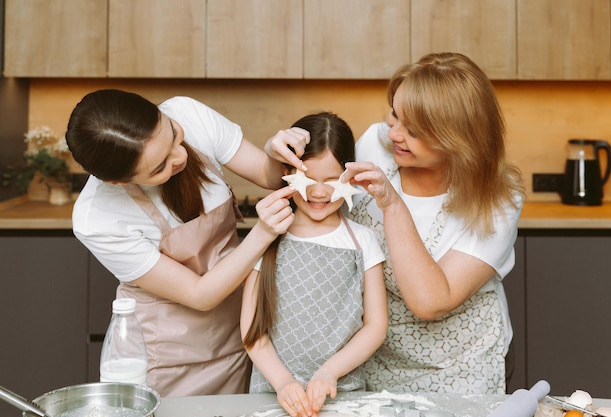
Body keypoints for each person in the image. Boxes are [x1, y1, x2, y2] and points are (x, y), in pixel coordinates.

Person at [65, 89, 310, 397]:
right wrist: (262, 233)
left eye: (174, 135)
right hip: (164, 358)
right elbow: (199, 294)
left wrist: (277, 151)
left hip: (237, 335)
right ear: (118, 181)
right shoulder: (98, 217)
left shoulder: (188, 112)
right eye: (159, 167)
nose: (180, 156)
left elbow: (269, 175)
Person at [343, 52, 526, 394]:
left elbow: (431, 300)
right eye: (395, 115)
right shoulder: (374, 144)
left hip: (463, 364)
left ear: (458, 137)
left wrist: (393, 205)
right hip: (374, 351)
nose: (394, 134)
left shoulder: (497, 200)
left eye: (413, 130)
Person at [241, 112, 388, 417]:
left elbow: (376, 326)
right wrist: (283, 383)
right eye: (308, 179)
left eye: (333, 182)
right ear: (287, 171)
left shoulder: (363, 241)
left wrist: (329, 373)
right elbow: (252, 331)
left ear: (352, 177)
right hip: (273, 395)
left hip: (342, 396)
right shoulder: (267, 234)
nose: (319, 192)